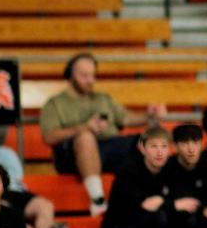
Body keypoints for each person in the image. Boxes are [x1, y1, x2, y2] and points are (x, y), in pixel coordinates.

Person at [39, 52, 165, 216]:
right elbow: (49, 136)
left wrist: (149, 115)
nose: (90, 80)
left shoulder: (103, 98)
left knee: (145, 141)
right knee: (86, 137)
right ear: (70, 76)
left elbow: (126, 118)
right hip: (71, 154)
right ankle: (98, 200)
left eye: (92, 75)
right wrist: (84, 127)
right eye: (84, 75)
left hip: (108, 147)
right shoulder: (55, 103)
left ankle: (153, 195)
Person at [99, 126, 175, 228]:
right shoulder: (128, 172)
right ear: (142, 148)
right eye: (154, 147)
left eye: (164, 147)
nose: (159, 152)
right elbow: (141, 208)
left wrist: (164, 203)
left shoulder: (171, 170)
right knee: (158, 219)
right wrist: (171, 204)